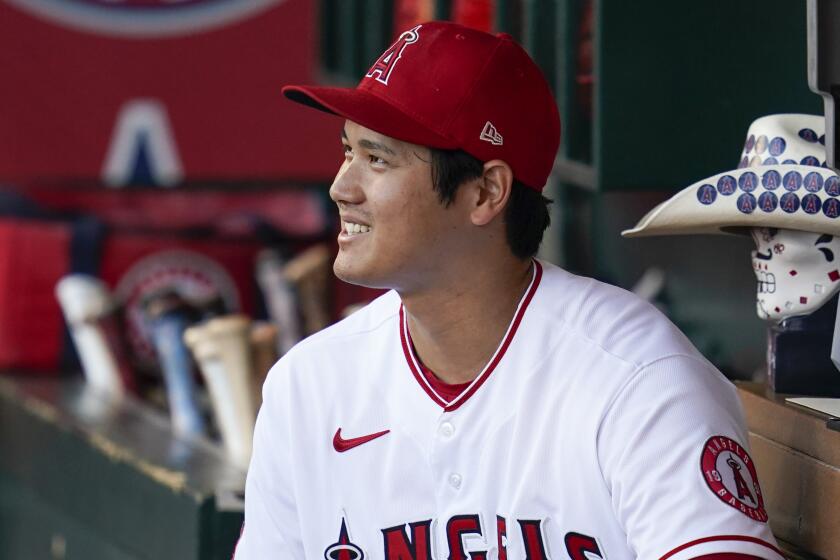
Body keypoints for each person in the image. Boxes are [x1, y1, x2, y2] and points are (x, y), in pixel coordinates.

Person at [234, 21, 782, 560]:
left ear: (486, 193)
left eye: (377, 159)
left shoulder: (637, 381)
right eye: (347, 151)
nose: (340, 187)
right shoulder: (307, 388)